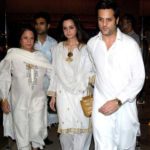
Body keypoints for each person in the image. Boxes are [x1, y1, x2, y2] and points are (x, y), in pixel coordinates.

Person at [87, 0, 145, 150]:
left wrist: (118, 100)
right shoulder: (92, 44)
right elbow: (94, 70)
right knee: (103, 146)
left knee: (125, 146)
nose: (104, 24)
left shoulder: (130, 45)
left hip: (125, 105)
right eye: (100, 19)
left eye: (109, 20)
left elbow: (139, 77)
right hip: (101, 107)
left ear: (117, 20)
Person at [0, 26, 52, 150]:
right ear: (20, 39)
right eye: (25, 38)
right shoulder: (13, 55)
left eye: (31, 38)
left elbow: (53, 74)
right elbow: (4, 77)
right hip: (19, 100)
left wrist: (55, 92)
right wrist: (4, 98)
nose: (29, 41)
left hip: (37, 99)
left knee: (36, 131)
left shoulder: (40, 57)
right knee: (21, 131)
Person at [49, 13, 94, 150]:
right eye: (65, 28)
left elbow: (92, 71)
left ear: (77, 28)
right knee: (66, 132)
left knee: (83, 130)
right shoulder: (57, 49)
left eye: (71, 27)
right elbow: (54, 73)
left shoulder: (86, 49)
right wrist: (53, 96)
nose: (68, 31)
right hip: (63, 94)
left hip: (82, 93)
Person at [33, 12, 58, 144]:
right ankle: (37, 136)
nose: (38, 26)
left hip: (48, 82)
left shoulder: (53, 43)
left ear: (48, 26)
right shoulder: (31, 42)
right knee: (36, 110)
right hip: (34, 82)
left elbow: (56, 64)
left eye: (41, 23)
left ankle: (45, 134)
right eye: (36, 24)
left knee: (48, 110)